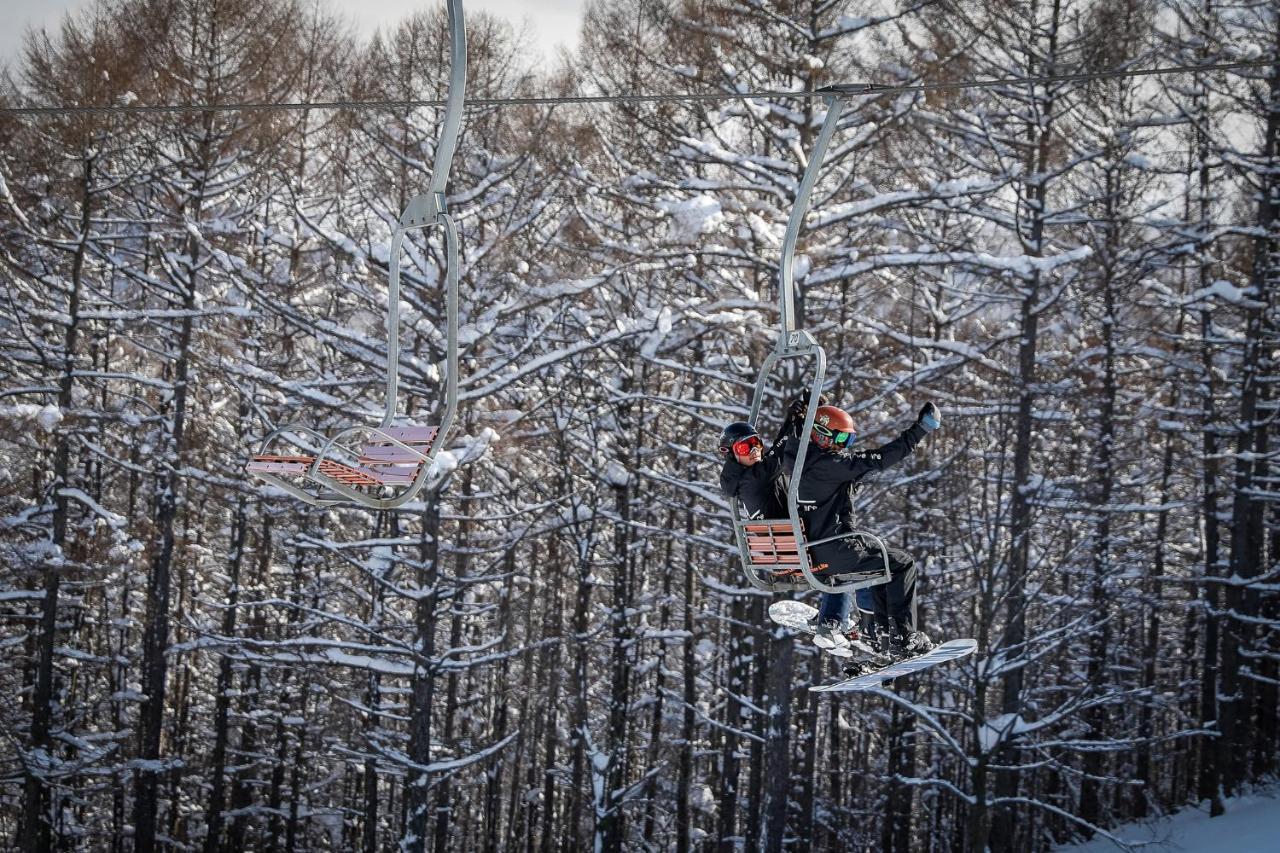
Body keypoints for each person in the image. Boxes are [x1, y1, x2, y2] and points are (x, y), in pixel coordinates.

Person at [781, 401, 942, 659]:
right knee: (903, 564)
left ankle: (880, 634)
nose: (845, 446)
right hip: (834, 550)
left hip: (814, 552)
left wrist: (800, 418)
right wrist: (919, 429)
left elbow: (793, 442)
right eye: (842, 438)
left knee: (878, 563)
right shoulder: (828, 464)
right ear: (822, 436)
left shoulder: (798, 460)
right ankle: (903, 636)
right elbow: (880, 459)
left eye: (849, 439)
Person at [718, 400, 854, 648]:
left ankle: (831, 616)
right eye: (746, 446)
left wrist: (795, 419)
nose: (755, 449)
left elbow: (775, 453)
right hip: (799, 553)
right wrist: (799, 421)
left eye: (757, 442)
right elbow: (782, 452)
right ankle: (834, 621)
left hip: (783, 555)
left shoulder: (744, 478)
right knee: (847, 563)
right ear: (731, 453)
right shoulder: (754, 478)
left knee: (836, 554)